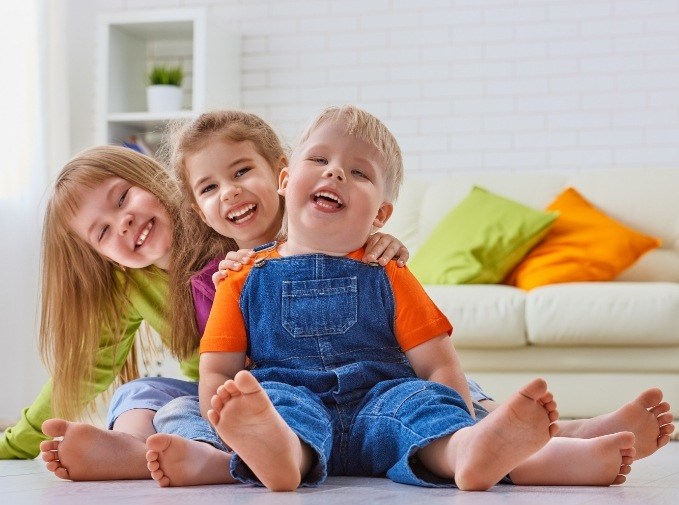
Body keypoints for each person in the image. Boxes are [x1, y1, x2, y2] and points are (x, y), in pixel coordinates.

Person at [151, 105, 639, 491]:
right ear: (286, 180)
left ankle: (469, 453)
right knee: (273, 404)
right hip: (291, 398)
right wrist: (224, 416)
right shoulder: (240, 277)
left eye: (358, 172)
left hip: (380, 402)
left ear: (381, 214)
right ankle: (279, 456)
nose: (335, 173)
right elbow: (218, 366)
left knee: (421, 406)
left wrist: (458, 417)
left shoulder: (387, 270)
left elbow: (437, 365)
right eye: (319, 160)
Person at [34, 118, 407, 481]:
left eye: (122, 198)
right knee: (149, 394)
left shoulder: (251, 244)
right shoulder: (210, 272)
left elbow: (352, 243)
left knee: (439, 393)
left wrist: (379, 240)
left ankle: (214, 454)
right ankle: (135, 448)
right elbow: (85, 368)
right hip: (231, 395)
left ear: (283, 176)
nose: (125, 223)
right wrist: (17, 438)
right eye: (102, 232)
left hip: (294, 388)